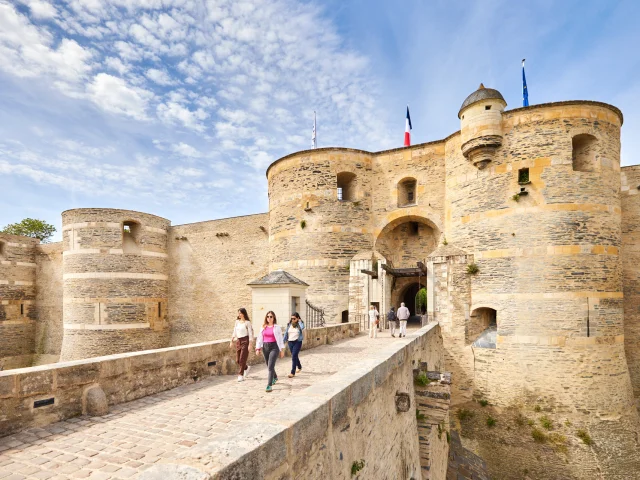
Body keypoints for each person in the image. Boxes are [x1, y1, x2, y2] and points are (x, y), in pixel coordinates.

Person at [255, 311, 285, 392]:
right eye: (268, 316)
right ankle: (275, 377)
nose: (269, 318)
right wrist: (258, 348)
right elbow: (259, 338)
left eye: (271, 316)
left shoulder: (277, 327)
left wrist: (282, 350)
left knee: (270, 366)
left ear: (274, 317)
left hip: (274, 347)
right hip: (265, 347)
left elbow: (280, 339)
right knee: (269, 365)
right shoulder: (263, 327)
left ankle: (269, 385)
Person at [230, 307, 254, 382]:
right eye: (238, 313)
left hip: (245, 341)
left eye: (240, 313)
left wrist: (250, 344)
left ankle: (240, 375)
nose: (239, 314)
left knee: (242, 359)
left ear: (243, 313)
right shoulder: (237, 322)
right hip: (238, 341)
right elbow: (234, 331)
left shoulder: (247, 322)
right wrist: (231, 340)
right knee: (237, 360)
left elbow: (250, 333)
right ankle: (246, 368)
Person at [283, 312, 305, 378]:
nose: (293, 320)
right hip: (290, 342)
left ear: (298, 318)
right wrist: (283, 341)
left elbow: (302, 327)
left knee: (293, 356)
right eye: (292, 318)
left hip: (297, 342)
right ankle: (299, 366)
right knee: (294, 355)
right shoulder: (289, 325)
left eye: (294, 318)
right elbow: (286, 333)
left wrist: (300, 321)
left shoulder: (299, 325)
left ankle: (292, 372)